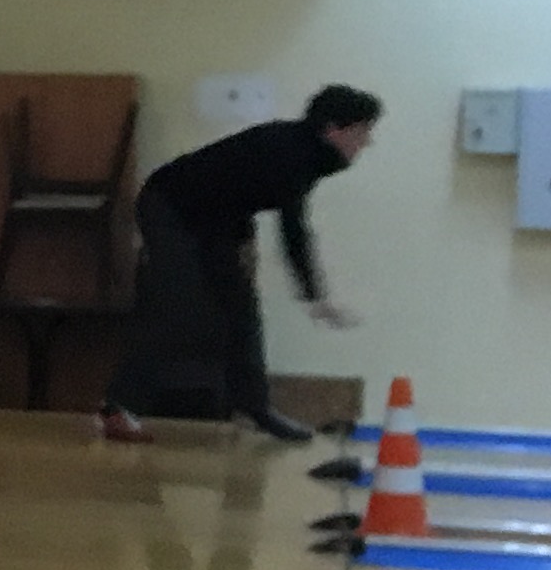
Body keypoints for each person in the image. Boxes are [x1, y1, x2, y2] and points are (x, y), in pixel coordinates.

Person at [100, 84, 381, 443]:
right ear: (334, 129)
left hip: (213, 220)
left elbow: (240, 189)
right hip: (169, 206)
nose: (367, 142)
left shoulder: (307, 152)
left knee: (241, 311)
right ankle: (119, 407)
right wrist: (316, 297)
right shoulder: (294, 153)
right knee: (176, 306)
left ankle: (255, 407)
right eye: (362, 131)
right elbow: (293, 230)